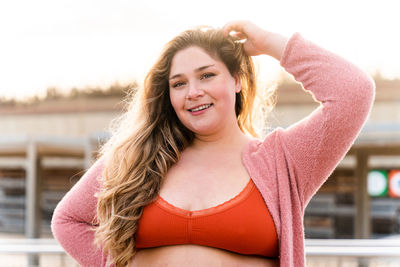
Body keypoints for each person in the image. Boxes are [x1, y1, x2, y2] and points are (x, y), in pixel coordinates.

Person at [51, 20, 375, 267]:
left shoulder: (282, 162)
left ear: (236, 80)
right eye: (179, 83)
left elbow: (353, 92)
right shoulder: (138, 158)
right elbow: (67, 221)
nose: (193, 92)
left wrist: (270, 43)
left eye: (207, 75)